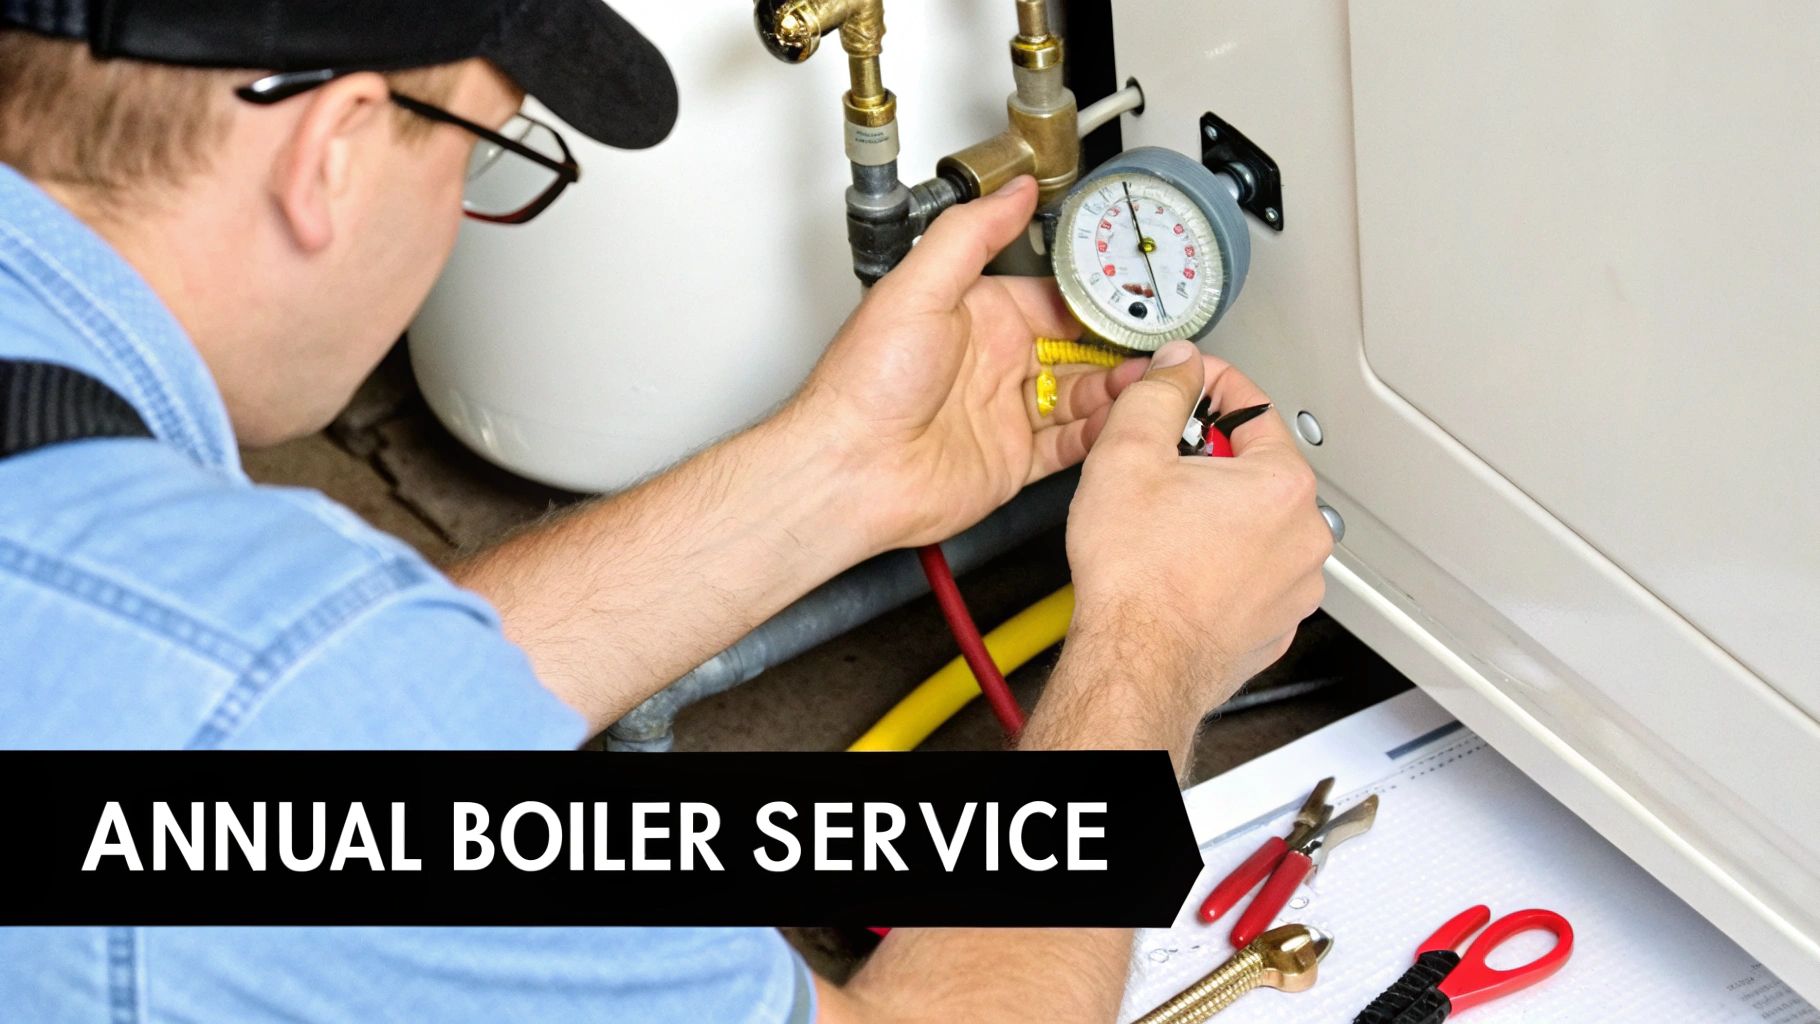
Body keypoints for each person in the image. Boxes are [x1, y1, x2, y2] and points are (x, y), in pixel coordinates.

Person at [0, 0, 1332, 1020]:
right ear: (333, 152)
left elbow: (299, 731)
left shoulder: (193, 635)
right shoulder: (276, 688)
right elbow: (299, 726)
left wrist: (837, 469)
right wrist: (1153, 645)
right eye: (484, 155)